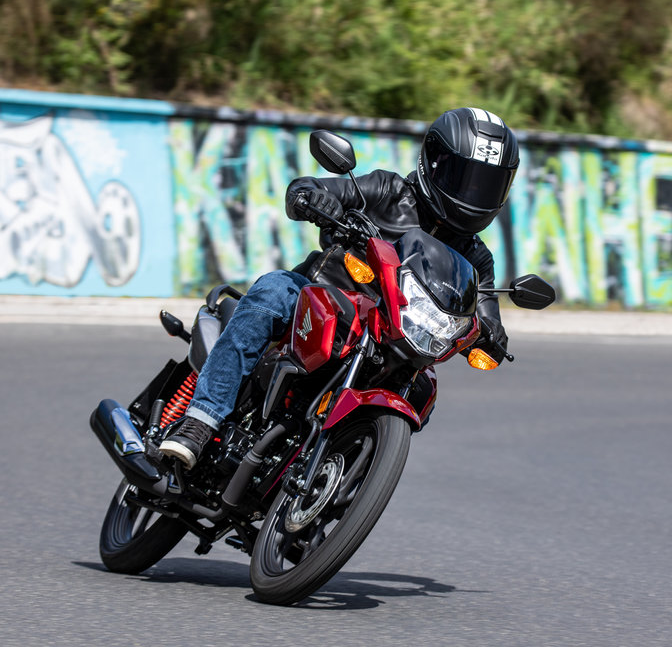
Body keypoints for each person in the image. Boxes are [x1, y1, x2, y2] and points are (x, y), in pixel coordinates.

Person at [159, 107, 519, 469]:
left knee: (422, 389)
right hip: (323, 298)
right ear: (434, 162)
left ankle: (340, 476)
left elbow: (486, 312)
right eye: (467, 179)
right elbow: (306, 188)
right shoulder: (389, 190)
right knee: (273, 290)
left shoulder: (476, 258)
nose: (474, 193)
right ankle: (199, 421)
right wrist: (314, 198)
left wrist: (493, 336)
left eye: (487, 185)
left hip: (393, 340)